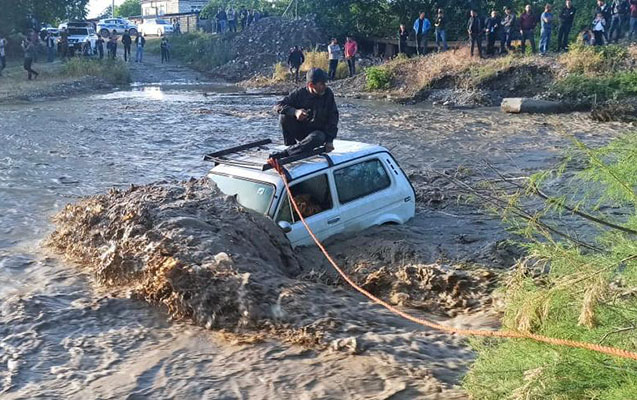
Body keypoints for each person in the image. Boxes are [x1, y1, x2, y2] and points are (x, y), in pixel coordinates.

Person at [271, 68, 339, 159]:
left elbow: (333, 117)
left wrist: (330, 140)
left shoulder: (328, 94)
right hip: (302, 130)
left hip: (317, 133)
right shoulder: (299, 93)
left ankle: (287, 153)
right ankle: (291, 145)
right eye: (322, 84)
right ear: (311, 85)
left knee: (318, 137)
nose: (325, 86)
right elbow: (277, 106)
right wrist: (295, 112)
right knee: (284, 116)